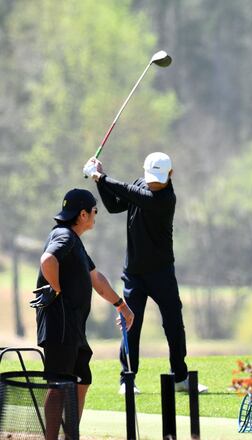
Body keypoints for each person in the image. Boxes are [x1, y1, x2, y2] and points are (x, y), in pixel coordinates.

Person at [83, 153, 206, 394]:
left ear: (170, 175)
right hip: (135, 275)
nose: (153, 183)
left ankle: (180, 378)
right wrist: (99, 180)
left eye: (159, 179)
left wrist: (99, 175)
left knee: (173, 324)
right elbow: (114, 205)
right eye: (151, 178)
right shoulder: (139, 187)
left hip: (162, 273)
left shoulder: (166, 199)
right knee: (131, 325)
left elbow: (133, 193)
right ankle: (127, 380)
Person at [34, 188, 134, 440]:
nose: (95, 215)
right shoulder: (64, 237)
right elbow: (47, 260)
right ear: (82, 214)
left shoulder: (73, 241)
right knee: (59, 385)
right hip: (61, 324)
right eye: (94, 211)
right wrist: (56, 289)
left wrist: (120, 304)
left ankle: (71, 436)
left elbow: (95, 278)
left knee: (81, 380)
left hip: (73, 326)